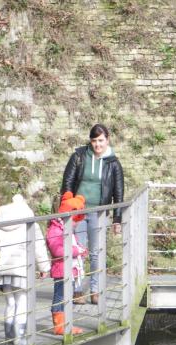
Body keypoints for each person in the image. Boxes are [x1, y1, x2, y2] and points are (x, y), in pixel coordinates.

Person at [60, 123, 124, 304]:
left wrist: (117, 219)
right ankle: (77, 290)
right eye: (94, 141)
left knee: (96, 253)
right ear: (90, 141)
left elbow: (118, 193)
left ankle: (95, 290)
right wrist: (66, 209)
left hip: (99, 214)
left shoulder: (113, 163)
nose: (98, 145)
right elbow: (67, 182)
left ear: (107, 140)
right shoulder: (79, 157)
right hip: (77, 212)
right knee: (77, 252)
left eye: (101, 141)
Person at [0, 194, 51, 345]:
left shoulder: (0, 223)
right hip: (22, 268)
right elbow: (38, 246)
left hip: (3, 269)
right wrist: (44, 267)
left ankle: (8, 337)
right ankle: (19, 338)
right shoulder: (29, 223)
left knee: (10, 302)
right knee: (22, 302)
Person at [46, 192, 87, 336]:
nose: (77, 224)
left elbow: (72, 245)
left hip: (70, 269)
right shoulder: (56, 229)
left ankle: (66, 324)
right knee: (60, 297)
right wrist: (76, 250)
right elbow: (57, 250)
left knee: (67, 296)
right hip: (62, 270)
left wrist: (81, 250)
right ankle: (59, 325)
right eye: (76, 221)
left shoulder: (67, 228)